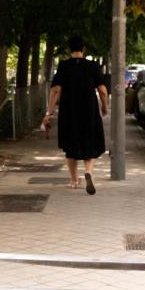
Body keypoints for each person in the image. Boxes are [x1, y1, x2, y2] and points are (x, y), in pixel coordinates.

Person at [43, 36, 109, 194]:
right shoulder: (92, 66)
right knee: (89, 142)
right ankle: (88, 172)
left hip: (69, 111)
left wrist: (49, 112)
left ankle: (73, 180)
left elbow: (55, 90)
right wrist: (104, 107)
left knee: (70, 145)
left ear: (69, 49)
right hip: (89, 110)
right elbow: (103, 91)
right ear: (83, 48)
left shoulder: (64, 66)